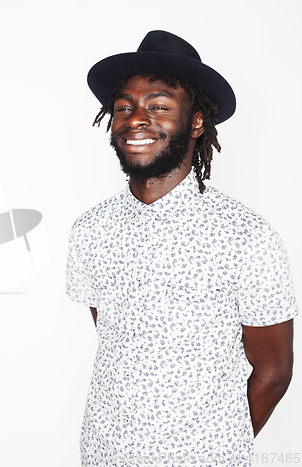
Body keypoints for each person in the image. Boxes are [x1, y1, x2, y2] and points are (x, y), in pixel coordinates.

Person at [66, 30, 298, 467]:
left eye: (158, 106)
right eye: (124, 108)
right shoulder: (90, 230)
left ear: (195, 122)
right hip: (102, 455)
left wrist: (215, 448)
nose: (137, 119)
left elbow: (274, 373)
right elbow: (117, 337)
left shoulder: (246, 236)